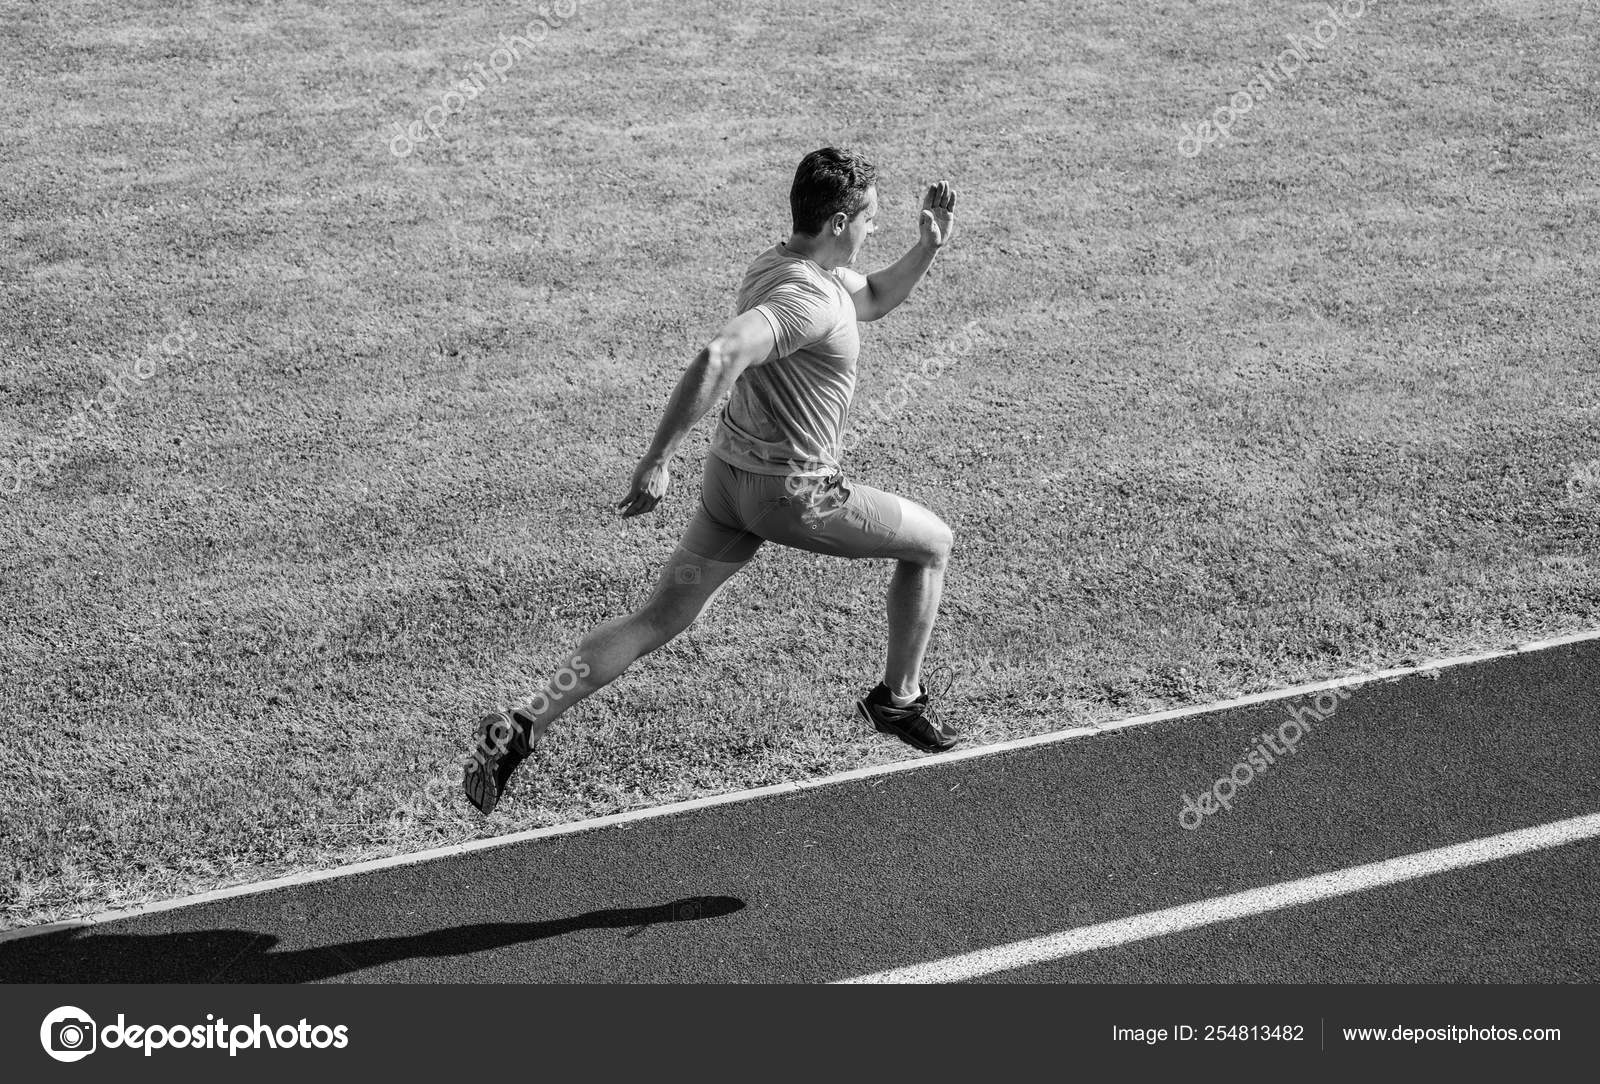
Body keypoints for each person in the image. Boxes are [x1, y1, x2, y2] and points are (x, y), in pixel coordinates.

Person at [464, 147, 961, 814]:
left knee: (657, 618)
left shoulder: (786, 267)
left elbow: (870, 297)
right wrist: (658, 457)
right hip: (795, 495)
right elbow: (721, 353)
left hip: (732, 486)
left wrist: (927, 248)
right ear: (840, 220)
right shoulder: (805, 299)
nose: (875, 229)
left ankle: (523, 724)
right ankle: (898, 699)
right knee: (933, 543)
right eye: (871, 219)